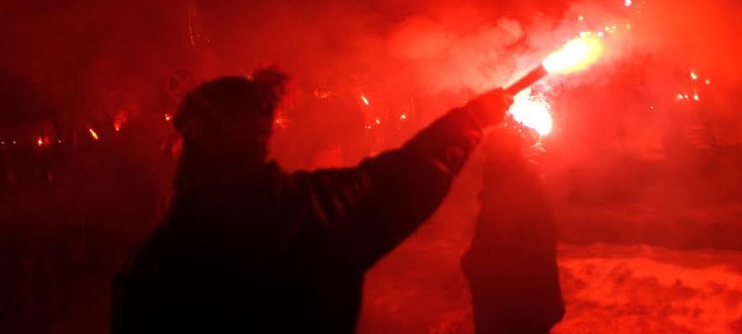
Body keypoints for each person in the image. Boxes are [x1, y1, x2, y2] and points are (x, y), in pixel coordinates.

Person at [111, 69, 512, 333]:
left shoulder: (158, 258)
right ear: (260, 139)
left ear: (189, 146)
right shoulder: (314, 210)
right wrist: (472, 119)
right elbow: (410, 172)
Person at [462, 127, 565, 334]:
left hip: (515, 303)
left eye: (491, 152)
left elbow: (501, 241)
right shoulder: (517, 180)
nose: (486, 157)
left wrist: (474, 263)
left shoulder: (513, 184)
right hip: (523, 300)